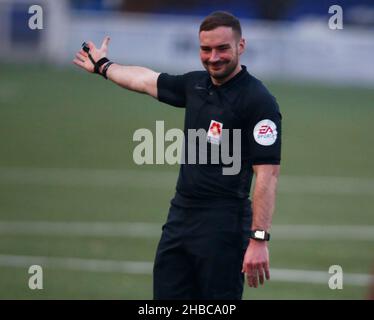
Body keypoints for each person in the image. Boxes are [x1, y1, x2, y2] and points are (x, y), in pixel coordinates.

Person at [73, 11, 282, 300]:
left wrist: (259, 238)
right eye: (206, 49)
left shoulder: (258, 101)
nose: (213, 57)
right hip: (180, 217)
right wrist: (104, 66)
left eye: (222, 48)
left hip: (224, 224)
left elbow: (268, 174)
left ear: (240, 46)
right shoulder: (196, 85)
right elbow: (145, 80)